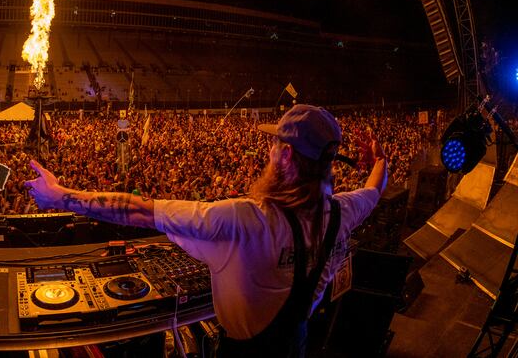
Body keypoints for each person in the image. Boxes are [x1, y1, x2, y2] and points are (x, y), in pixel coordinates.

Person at [25, 104, 387, 357]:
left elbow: (138, 210)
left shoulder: (245, 219)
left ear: (287, 155)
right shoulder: (342, 212)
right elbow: (375, 189)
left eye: (275, 144)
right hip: (297, 343)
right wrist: (379, 161)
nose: (270, 150)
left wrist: (59, 195)